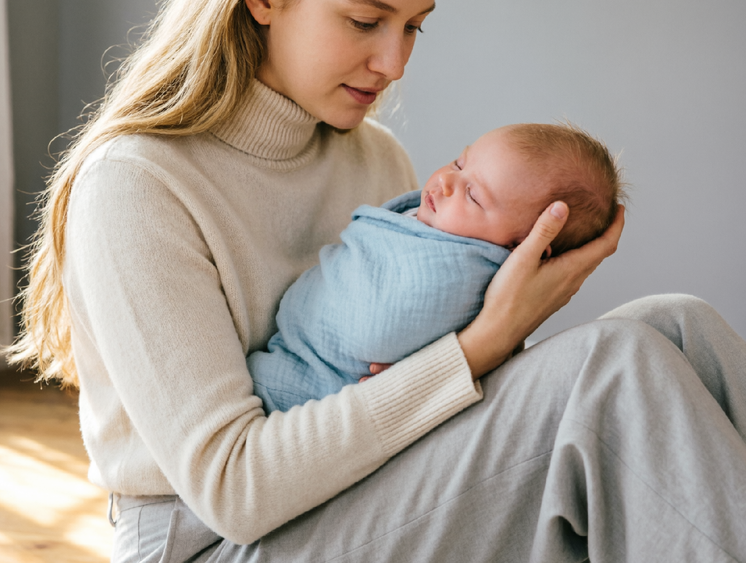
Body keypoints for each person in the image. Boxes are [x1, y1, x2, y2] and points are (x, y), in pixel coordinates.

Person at [7, 0, 746, 561]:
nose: (393, 62)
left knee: (679, 325)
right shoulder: (138, 184)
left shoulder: (374, 159)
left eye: (414, 27)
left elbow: (421, 392)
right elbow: (236, 488)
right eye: (366, 20)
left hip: (349, 487)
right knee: (613, 366)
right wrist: (483, 345)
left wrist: (506, 331)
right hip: (214, 539)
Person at [249, 123, 623, 414]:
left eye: (473, 195)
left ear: (526, 248)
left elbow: (374, 331)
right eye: (459, 163)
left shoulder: (460, 274)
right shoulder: (428, 219)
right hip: (282, 422)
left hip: (306, 395)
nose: (445, 181)